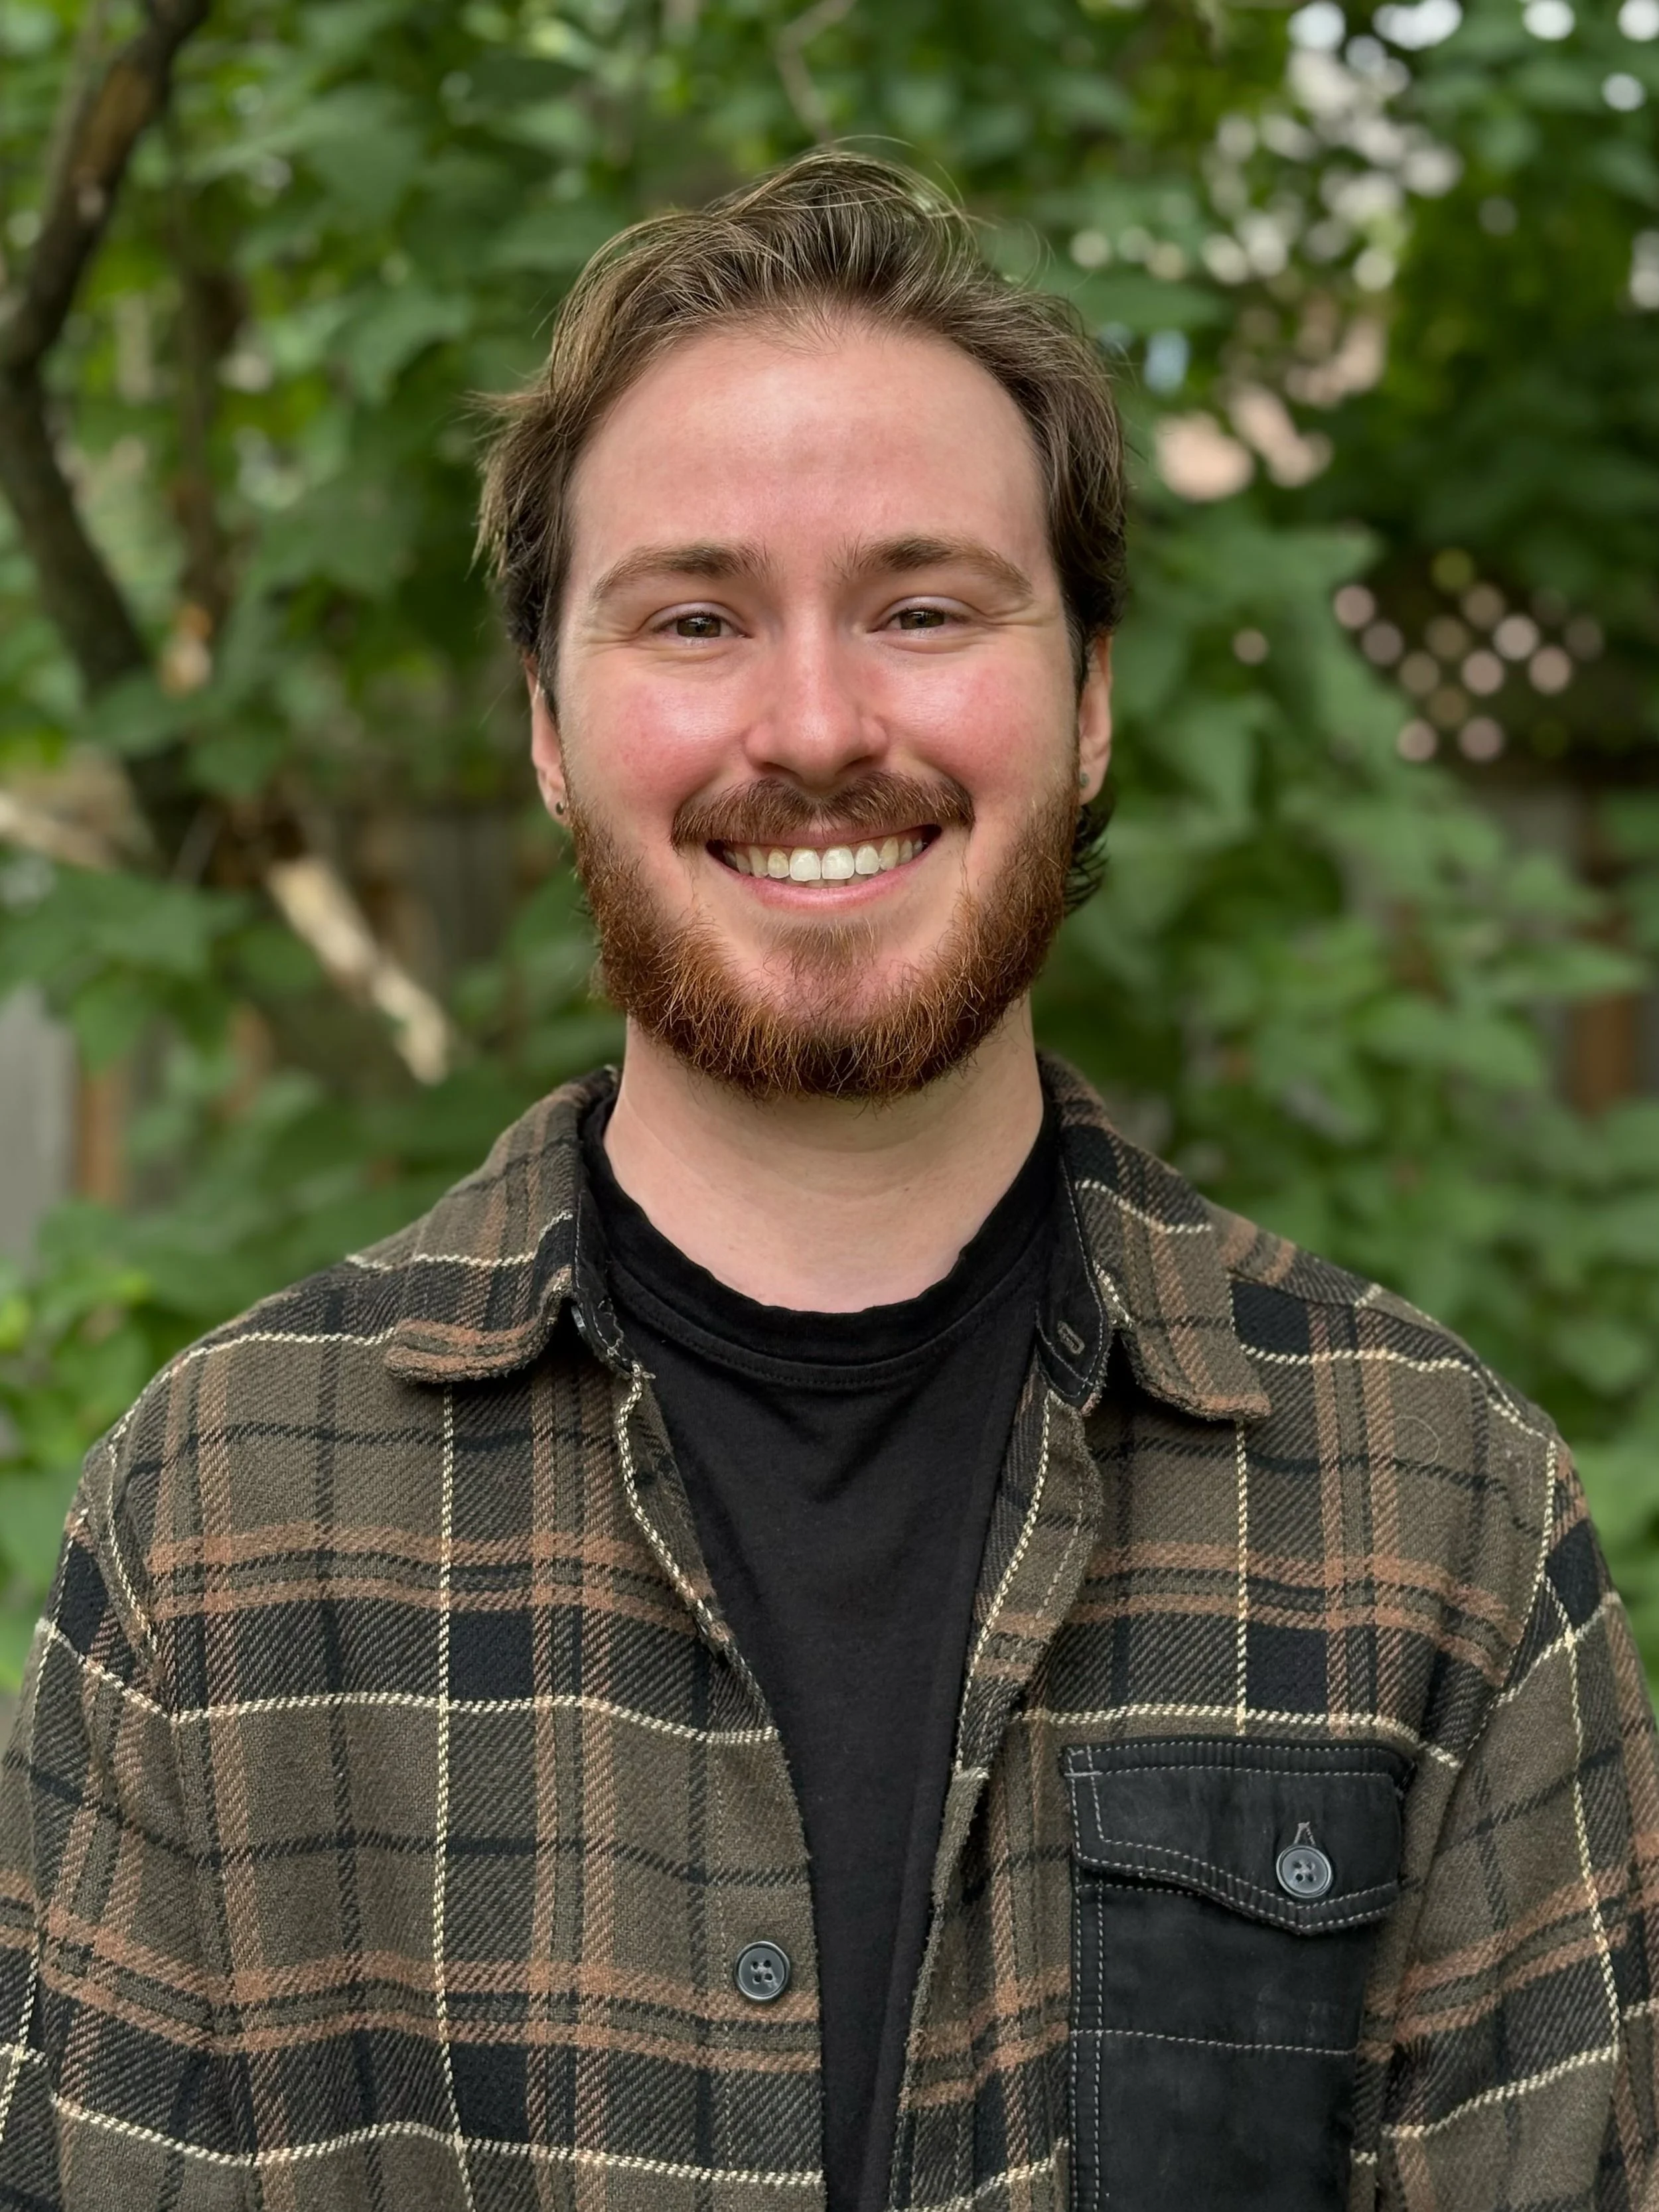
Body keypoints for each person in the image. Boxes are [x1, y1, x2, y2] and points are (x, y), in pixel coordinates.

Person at [0, 150, 1654, 2212]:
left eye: (921, 608)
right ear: (546, 725)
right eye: (695, 617)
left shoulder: (1437, 1520)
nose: (811, 723)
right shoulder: (218, 1534)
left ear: (1089, 703)